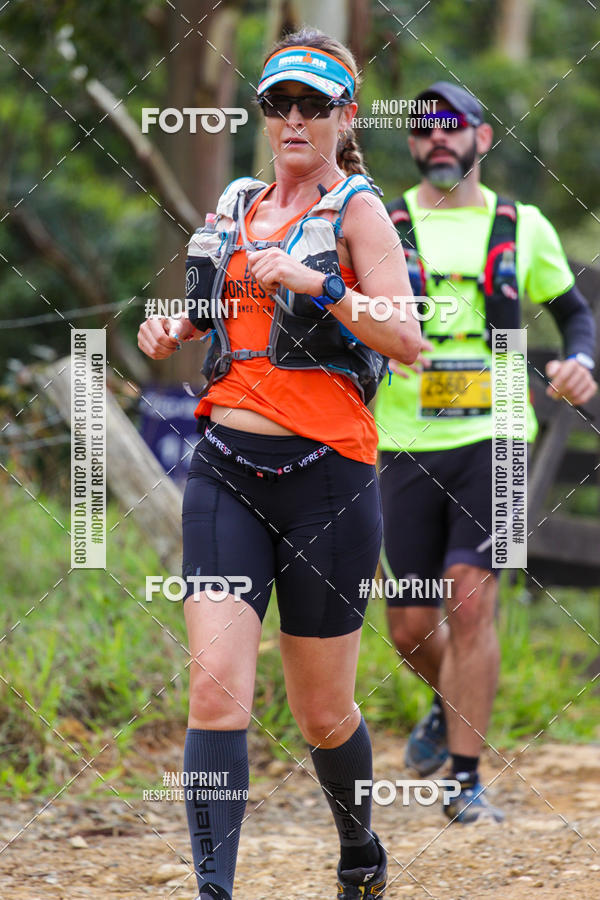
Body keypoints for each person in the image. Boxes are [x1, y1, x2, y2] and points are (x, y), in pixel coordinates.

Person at [138, 28, 420, 899]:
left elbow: (406, 337)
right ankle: (213, 890)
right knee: (217, 696)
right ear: (264, 114)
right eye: (278, 104)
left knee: (322, 713)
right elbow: (211, 310)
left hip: (328, 482)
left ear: (345, 116)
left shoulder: (360, 211)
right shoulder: (234, 204)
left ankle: (359, 850)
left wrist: (319, 284)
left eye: (313, 105)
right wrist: (174, 328)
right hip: (225, 468)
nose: (293, 119)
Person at [376, 81, 597, 824]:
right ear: (412, 145)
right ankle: (447, 703)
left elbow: (575, 317)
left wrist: (580, 363)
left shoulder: (521, 225)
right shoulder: (385, 224)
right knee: (407, 623)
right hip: (403, 440)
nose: (438, 139)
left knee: (472, 599)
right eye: (424, 130)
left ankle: (465, 781)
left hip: (498, 436)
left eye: (453, 127)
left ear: (484, 136)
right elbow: (347, 315)